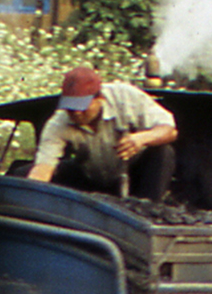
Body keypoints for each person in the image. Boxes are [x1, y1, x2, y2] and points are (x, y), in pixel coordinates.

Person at [27, 67, 178, 200]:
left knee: (163, 152)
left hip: (134, 174)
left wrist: (142, 138)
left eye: (82, 107)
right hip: (90, 177)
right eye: (71, 109)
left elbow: (169, 130)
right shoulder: (58, 123)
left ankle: (148, 210)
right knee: (23, 173)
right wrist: (31, 191)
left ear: (100, 98)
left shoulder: (126, 97)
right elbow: (44, 167)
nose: (77, 113)